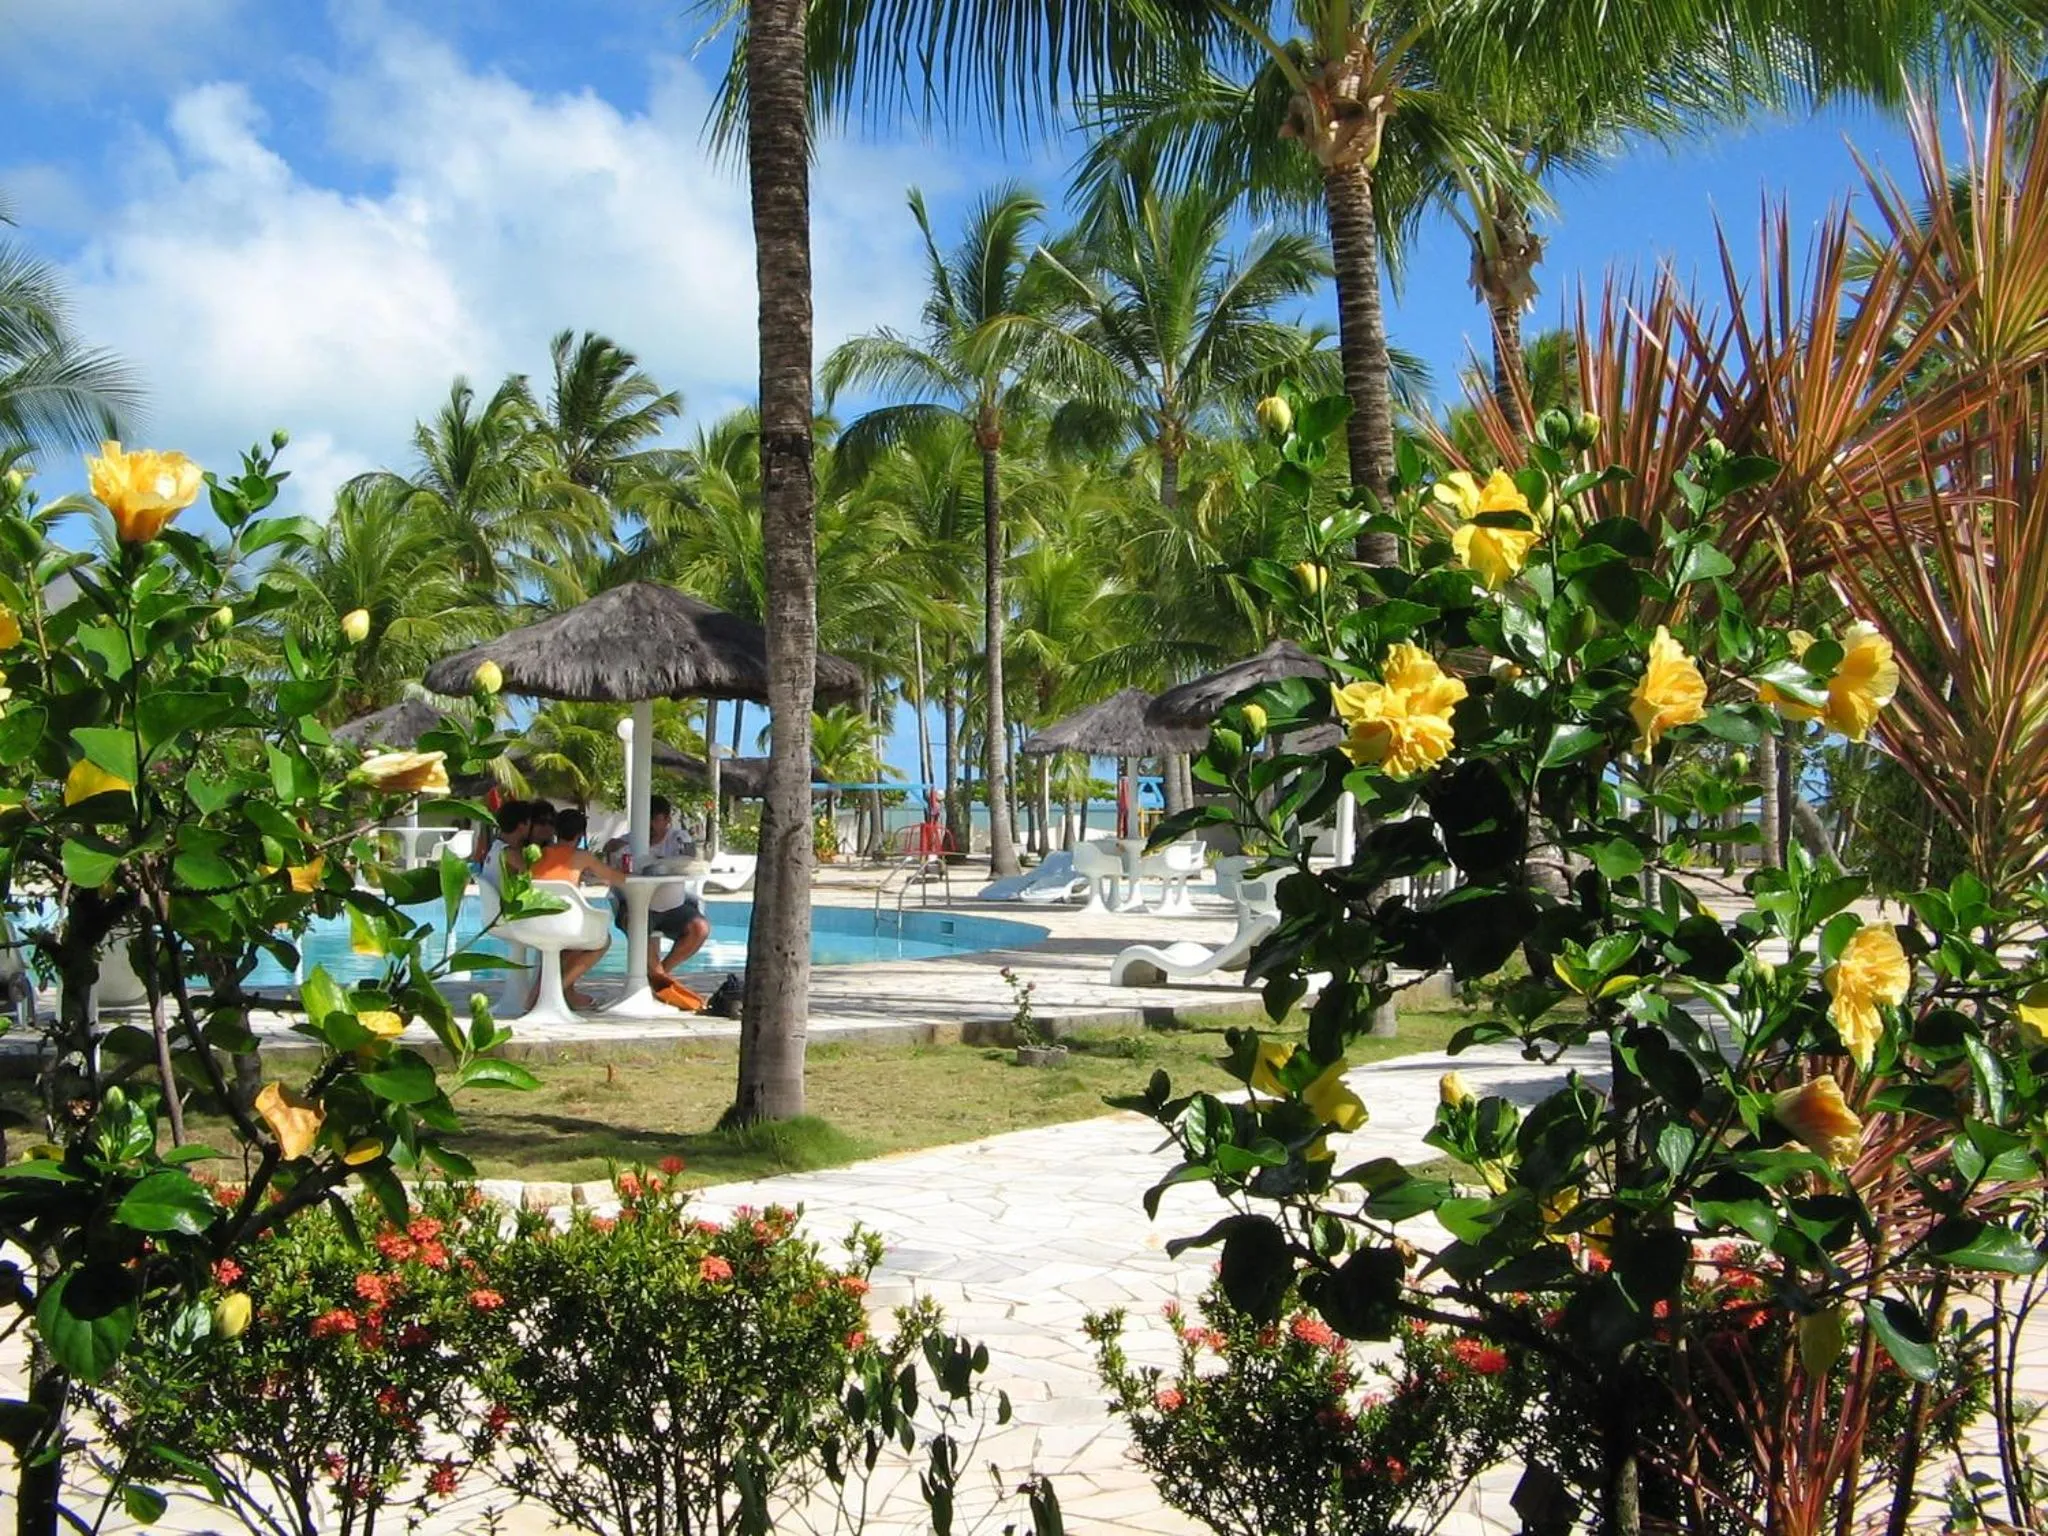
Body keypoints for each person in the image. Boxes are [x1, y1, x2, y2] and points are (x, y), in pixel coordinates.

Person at [528, 806, 624, 1011]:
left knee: (566, 947)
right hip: (564, 926)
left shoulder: (537, 854)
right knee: (602, 941)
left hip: (532, 924)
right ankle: (555, 991)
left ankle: (560, 994)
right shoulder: (582, 857)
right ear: (581, 834)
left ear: (555, 831)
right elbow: (617, 878)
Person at [616, 793, 711, 984]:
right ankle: (659, 979)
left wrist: (663, 863)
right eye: (646, 819)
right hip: (638, 906)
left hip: (673, 907)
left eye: (655, 819)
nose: (649, 825)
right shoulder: (626, 843)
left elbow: (692, 862)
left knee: (700, 929)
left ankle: (659, 976)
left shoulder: (678, 839)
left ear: (667, 820)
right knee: (635, 921)